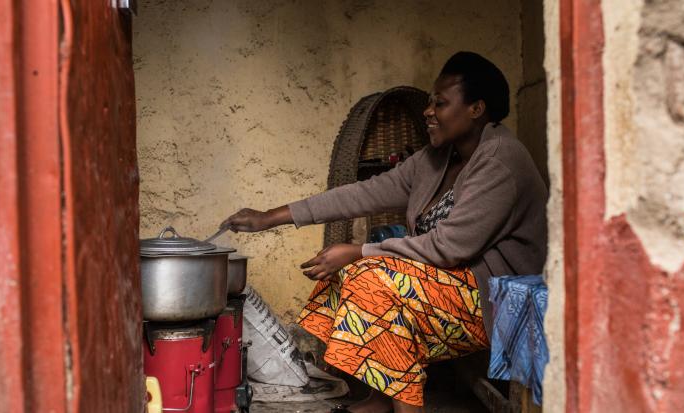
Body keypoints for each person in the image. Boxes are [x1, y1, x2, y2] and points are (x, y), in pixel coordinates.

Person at [221, 51, 547, 413]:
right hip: (452, 286)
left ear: (476, 109)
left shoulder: (501, 160)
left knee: (373, 280)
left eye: (440, 103)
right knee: (352, 277)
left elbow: (450, 247)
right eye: (428, 102)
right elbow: (363, 193)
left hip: (497, 301)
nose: (428, 111)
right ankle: (379, 399)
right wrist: (271, 217)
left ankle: (405, 407)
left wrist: (357, 251)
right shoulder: (438, 158)